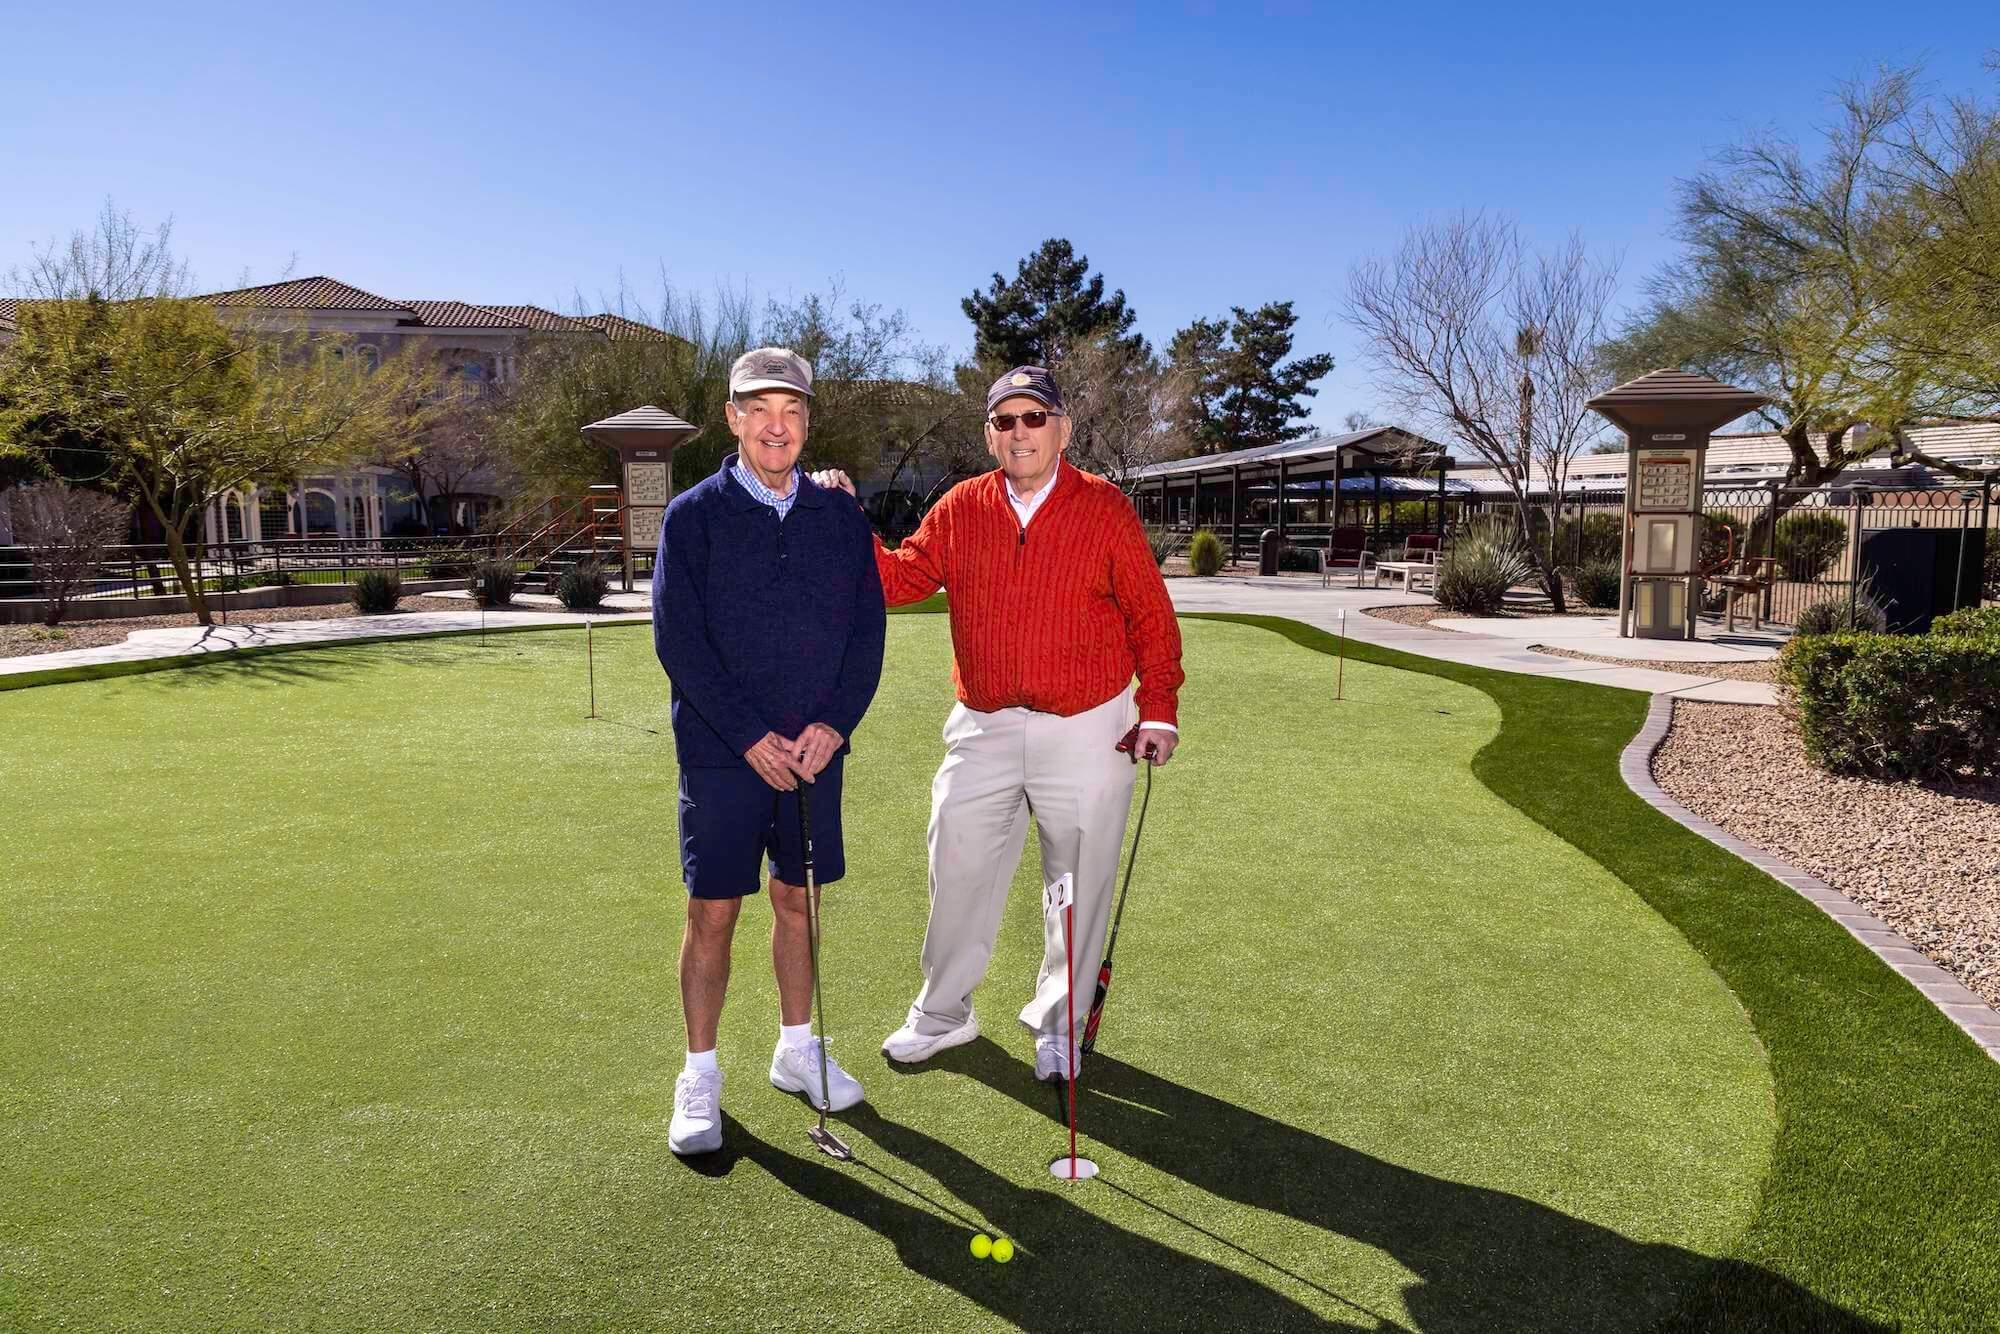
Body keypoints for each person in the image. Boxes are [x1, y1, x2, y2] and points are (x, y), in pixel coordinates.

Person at [814, 365, 1182, 1083]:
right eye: (1005, 421)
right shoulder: (961, 507)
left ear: (1062, 429)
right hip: (983, 725)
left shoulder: (1104, 508)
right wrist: (844, 518)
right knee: (955, 864)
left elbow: (1150, 615)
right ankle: (945, 1014)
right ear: (989, 435)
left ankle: (1059, 1025)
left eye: (1034, 419)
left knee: (1072, 885)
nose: (1020, 433)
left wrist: (1159, 708)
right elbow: (896, 580)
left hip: (1087, 726)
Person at [651, 346, 886, 1155]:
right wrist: (750, 736)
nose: (776, 426)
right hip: (724, 756)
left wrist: (835, 724)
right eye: (760, 409)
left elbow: (866, 634)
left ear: (807, 422)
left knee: (800, 899)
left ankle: (795, 1050)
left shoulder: (840, 518)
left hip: (816, 754)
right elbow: (680, 642)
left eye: (791, 411)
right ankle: (701, 1074)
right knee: (713, 910)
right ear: (734, 420)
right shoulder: (692, 516)